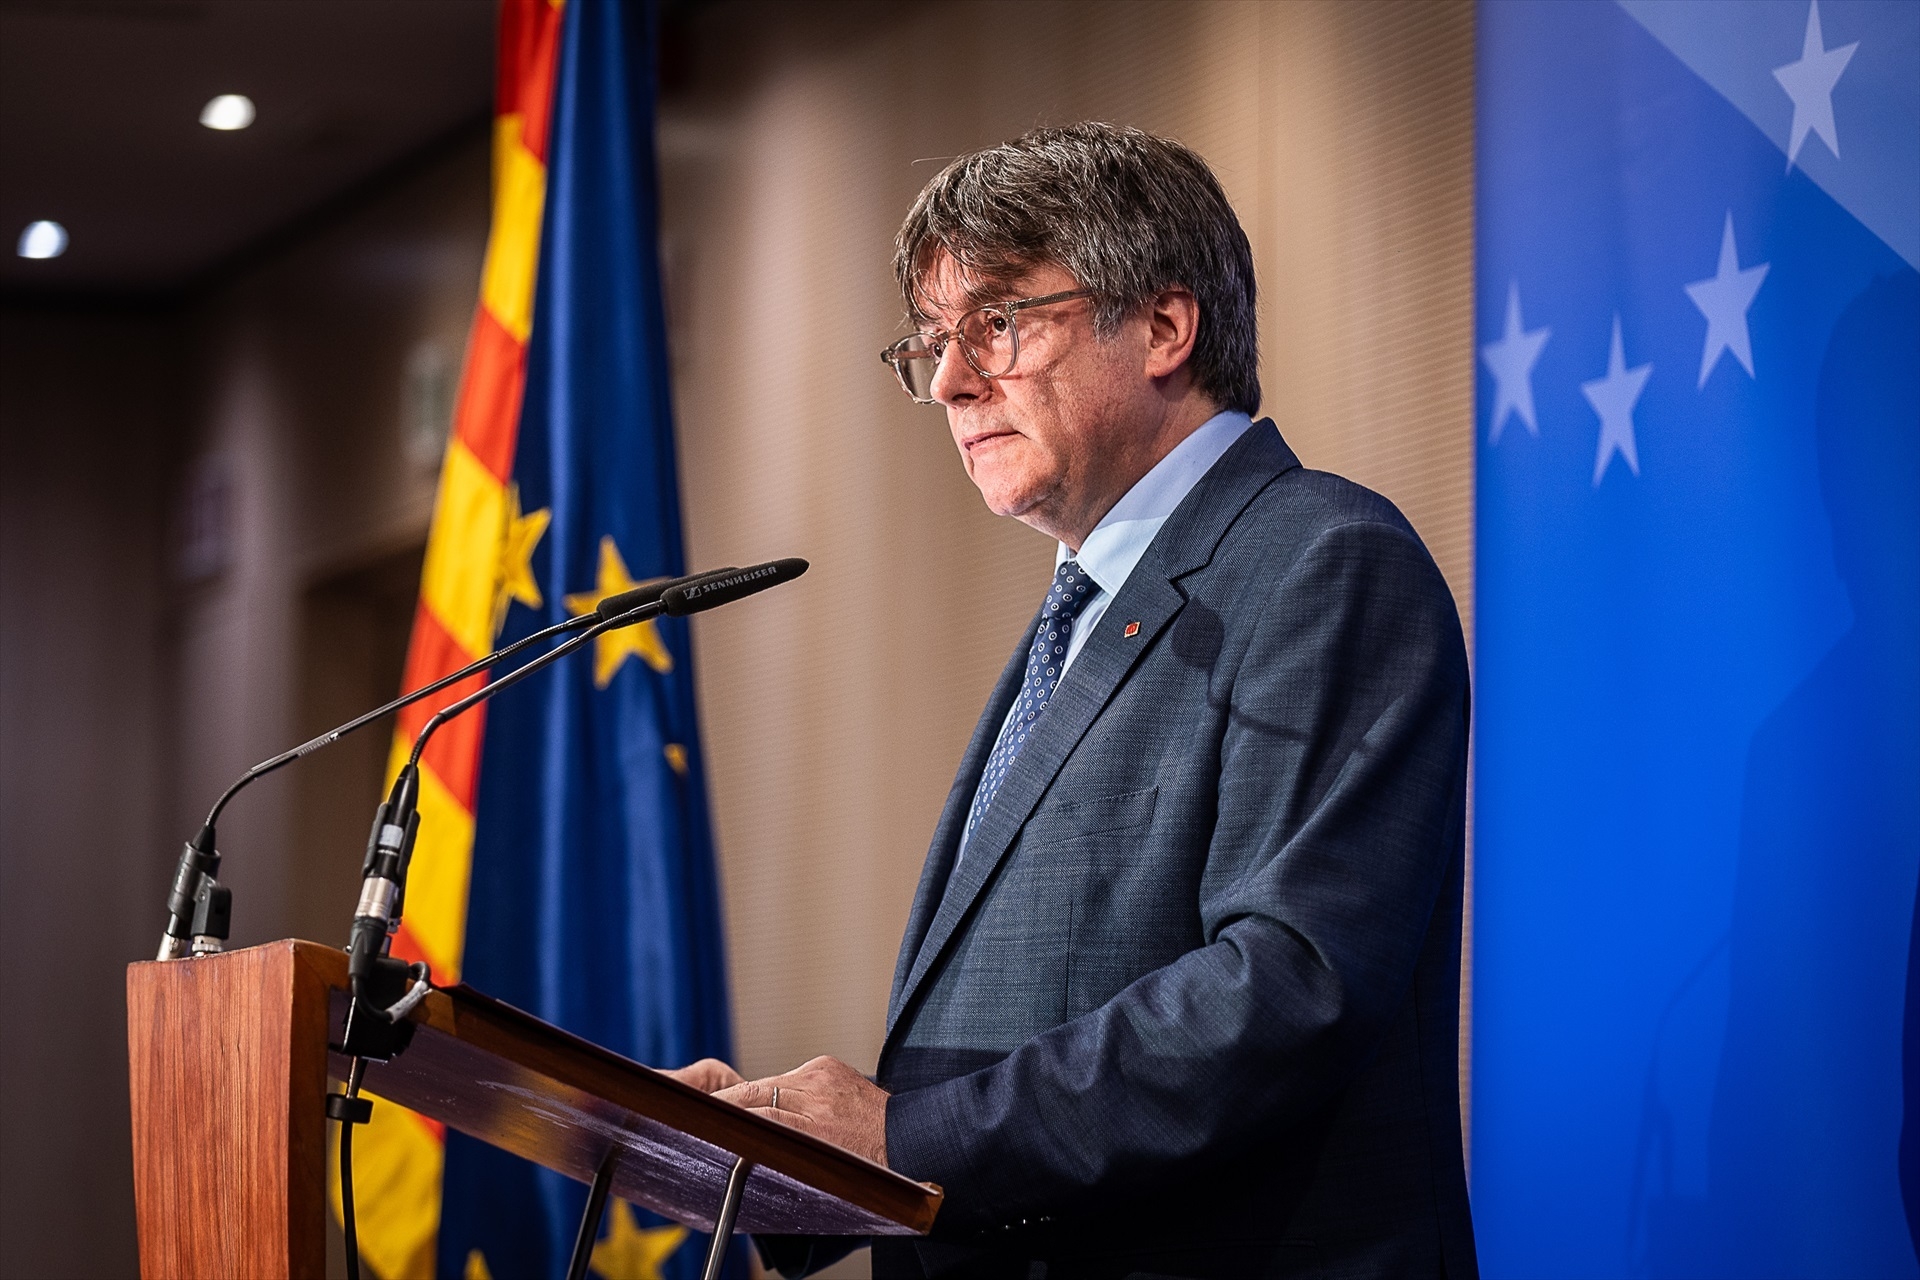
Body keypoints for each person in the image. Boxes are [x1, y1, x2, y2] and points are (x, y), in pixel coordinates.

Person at [673, 122, 1476, 1279]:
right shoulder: (1089, 606)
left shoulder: (1323, 560)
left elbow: (1290, 984)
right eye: (935, 343)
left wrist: (906, 1137)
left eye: (998, 322)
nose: (950, 380)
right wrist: (793, 1150)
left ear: (1163, 324)